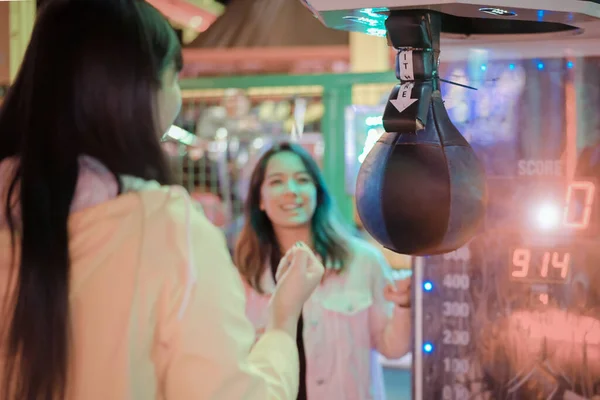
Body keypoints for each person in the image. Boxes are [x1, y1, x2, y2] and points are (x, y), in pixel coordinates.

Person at [0, 1, 324, 399]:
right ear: (142, 90)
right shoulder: (170, 229)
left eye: (301, 180)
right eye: (176, 78)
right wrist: (282, 321)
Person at [234, 142, 412, 400]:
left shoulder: (362, 261)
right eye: (276, 182)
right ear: (259, 200)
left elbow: (392, 348)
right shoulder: (243, 274)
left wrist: (404, 306)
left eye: (302, 179)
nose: (291, 191)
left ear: (317, 192)